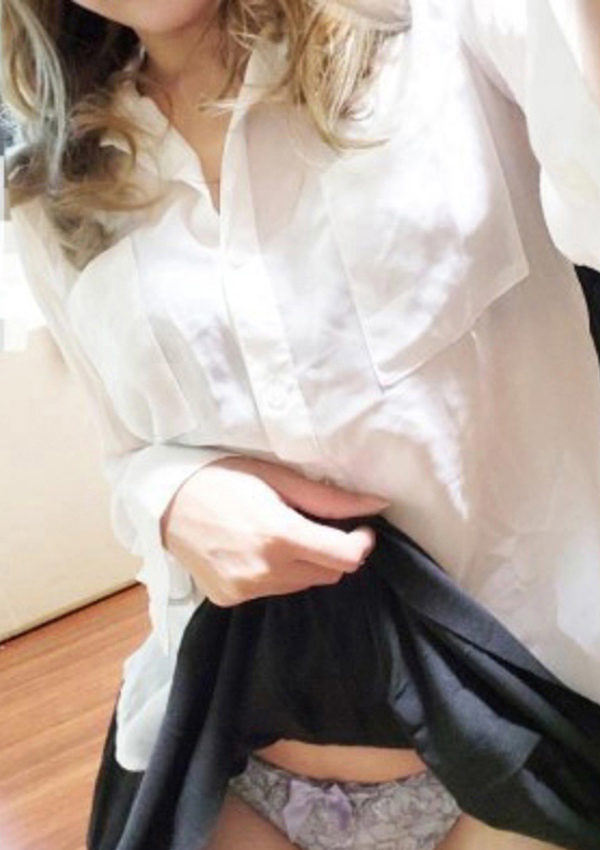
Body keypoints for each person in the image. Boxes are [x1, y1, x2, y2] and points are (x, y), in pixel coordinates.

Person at [2, 0, 600, 848]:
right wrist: (168, 495)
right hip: (232, 765)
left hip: (531, 738)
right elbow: (126, 454)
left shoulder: (442, 25)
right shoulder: (56, 189)